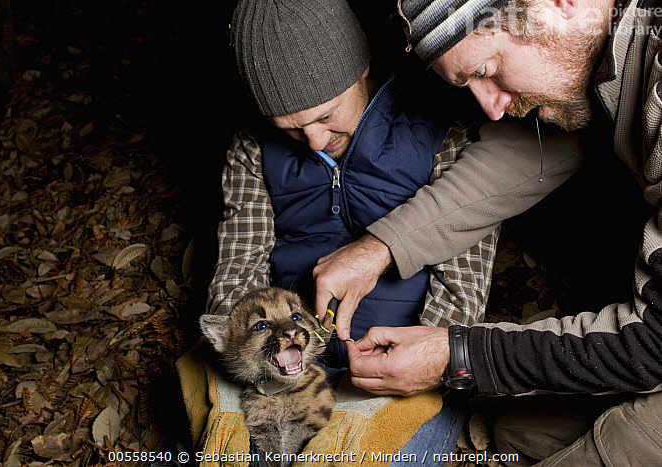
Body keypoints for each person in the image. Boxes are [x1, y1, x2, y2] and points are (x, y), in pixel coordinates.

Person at [199, 0, 583, 462]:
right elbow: (238, 266)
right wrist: (260, 360)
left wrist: (419, 368)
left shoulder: (443, 131)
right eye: (291, 130)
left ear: (361, 69)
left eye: (326, 115)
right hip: (282, 359)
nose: (316, 140)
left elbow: (462, 290)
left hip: (401, 366)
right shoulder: (252, 150)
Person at [338, 0, 662, 464]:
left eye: (487, 68)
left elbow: (653, 342)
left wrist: (457, 357)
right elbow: (543, 151)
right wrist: (383, 246)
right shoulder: (607, 45)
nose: (491, 109)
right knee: (514, 433)